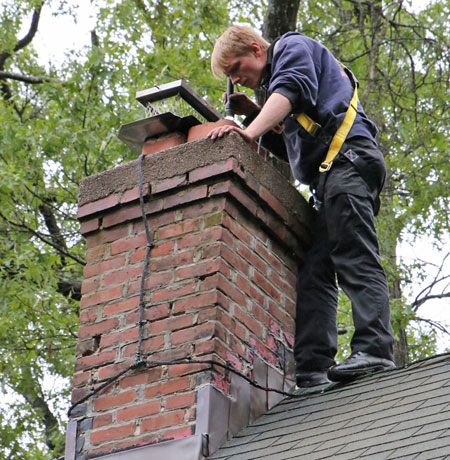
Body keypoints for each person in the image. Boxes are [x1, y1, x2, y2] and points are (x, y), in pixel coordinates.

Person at [208, 25, 396, 387]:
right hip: (331, 176)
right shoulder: (281, 93)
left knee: (354, 252)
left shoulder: (291, 49)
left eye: (236, 68)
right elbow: (289, 153)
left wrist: (247, 132)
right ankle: (313, 368)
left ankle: (375, 348)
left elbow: (290, 91)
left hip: (349, 162)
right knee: (316, 270)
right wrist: (252, 114)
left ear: (255, 48)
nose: (238, 79)